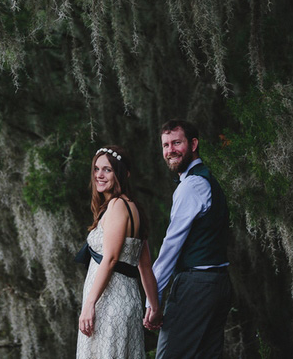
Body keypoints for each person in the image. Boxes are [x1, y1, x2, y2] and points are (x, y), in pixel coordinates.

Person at [143, 119, 231, 358]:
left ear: (193, 144)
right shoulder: (207, 180)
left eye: (176, 143)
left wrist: (153, 301)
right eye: (165, 145)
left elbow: (171, 246)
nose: (170, 150)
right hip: (219, 283)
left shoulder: (192, 185)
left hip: (197, 285)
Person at [77, 146, 162, 358]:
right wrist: (154, 307)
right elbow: (144, 266)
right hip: (126, 301)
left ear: (122, 173)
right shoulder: (134, 208)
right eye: (97, 169)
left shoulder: (117, 205)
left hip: (109, 303)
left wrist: (89, 304)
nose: (99, 175)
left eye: (107, 170)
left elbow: (112, 258)